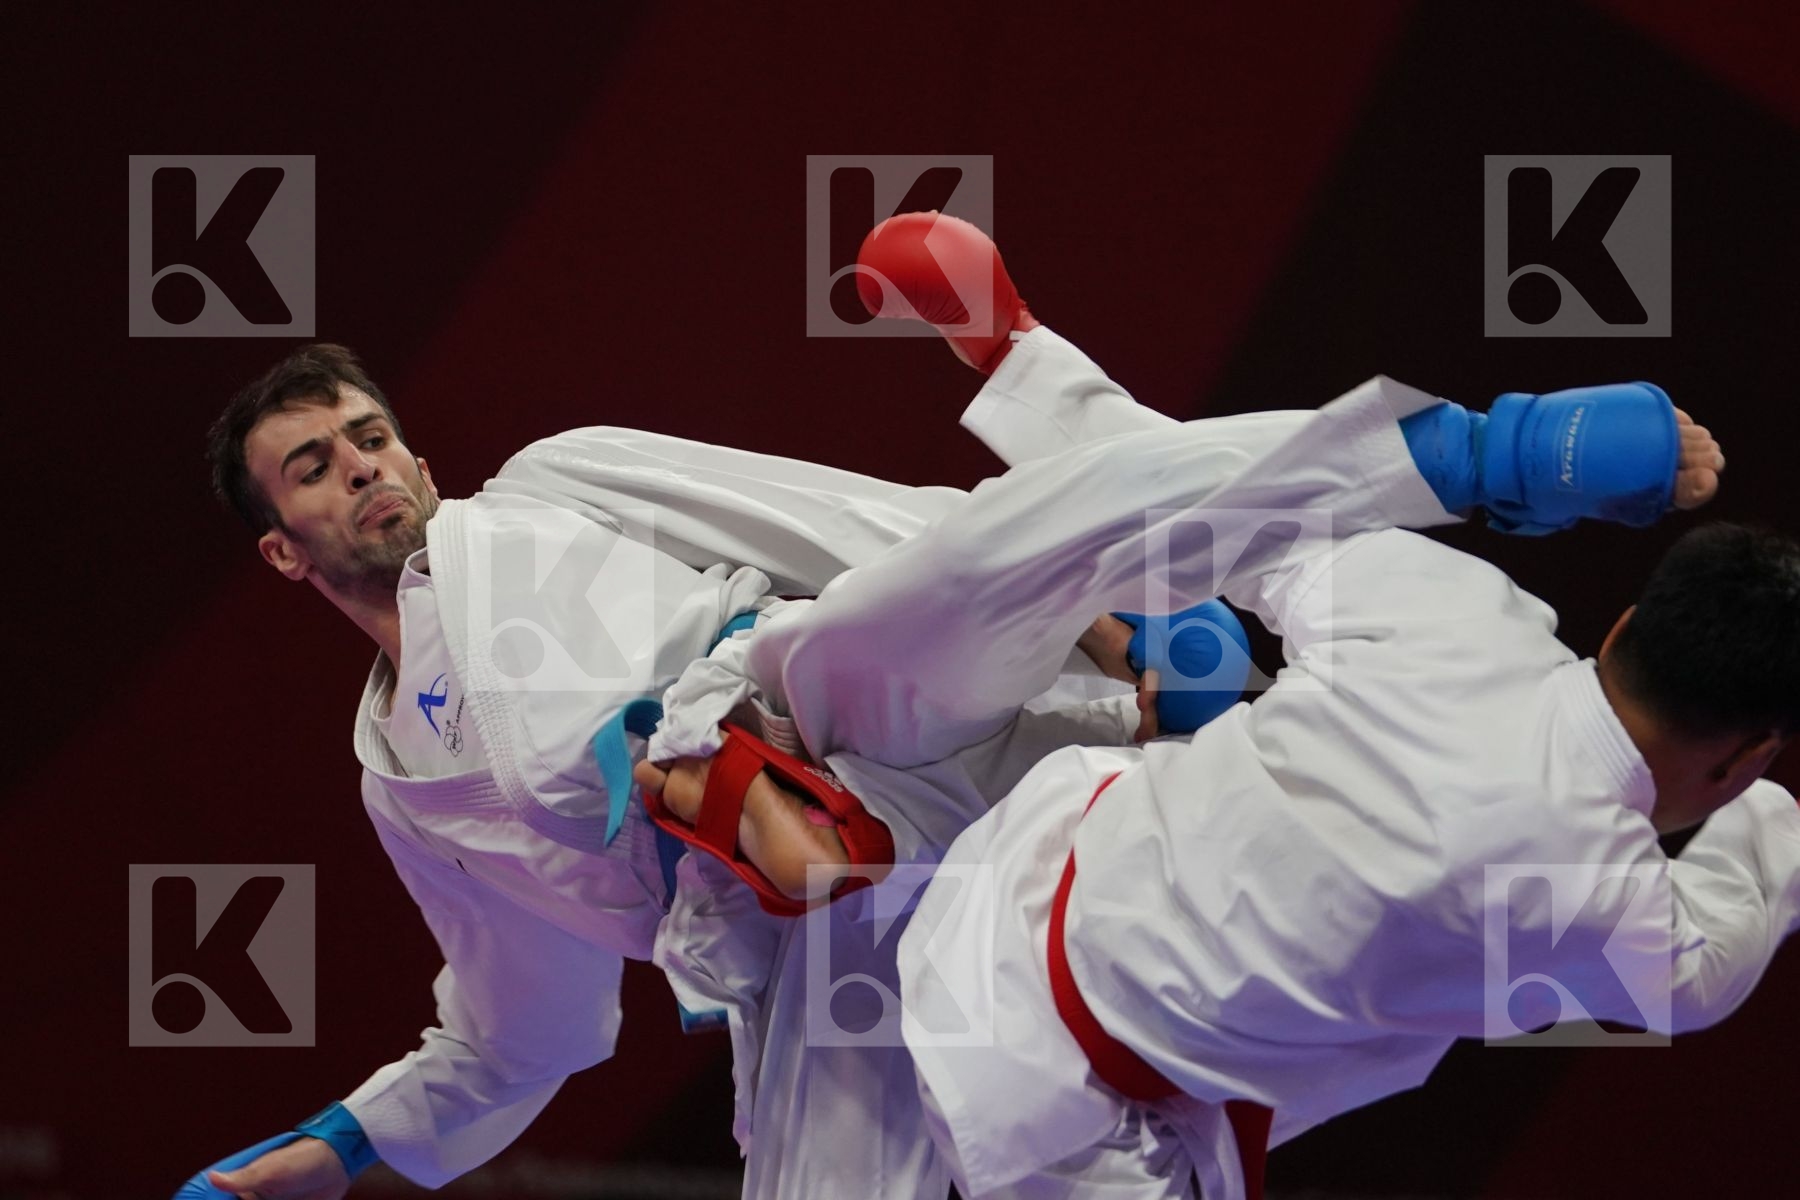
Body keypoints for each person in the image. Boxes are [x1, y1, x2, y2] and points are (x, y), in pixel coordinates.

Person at [638, 214, 1771, 1199]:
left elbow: (1221, 489)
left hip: (1012, 880)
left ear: (1623, 625)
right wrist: (1779, 823)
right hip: (1064, 1122)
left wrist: (1032, 371)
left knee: (1087, 541)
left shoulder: (1450, 609)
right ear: (1746, 759)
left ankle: (1025, 373)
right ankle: (776, 754)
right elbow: (1705, 969)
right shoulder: (1604, 903)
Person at [177, 339, 1156, 1198]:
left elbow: (829, 521)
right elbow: (521, 1022)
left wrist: (1107, 623)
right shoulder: (404, 787)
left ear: (421, 463)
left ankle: (1147, 648)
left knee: (858, 661)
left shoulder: (551, 487)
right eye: (315, 466)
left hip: (843, 716)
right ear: (280, 551)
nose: (359, 467)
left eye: (372, 437)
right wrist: (345, 1145)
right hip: (795, 937)